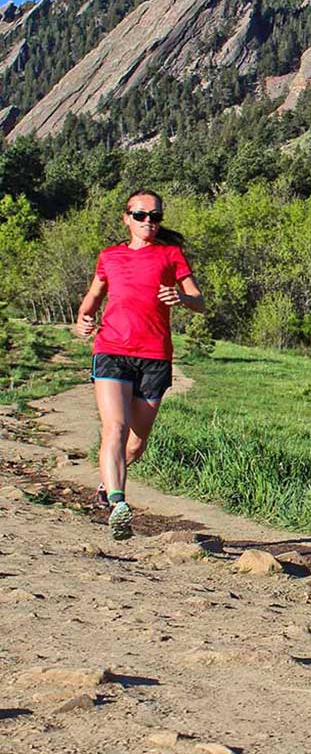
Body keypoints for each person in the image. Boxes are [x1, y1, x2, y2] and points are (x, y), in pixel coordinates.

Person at [74, 190, 204, 540]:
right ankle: (118, 503)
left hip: (154, 356)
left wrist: (182, 297)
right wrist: (83, 320)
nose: (149, 222)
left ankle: (106, 484)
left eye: (155, 216)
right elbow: (92, 298)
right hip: (112, 349)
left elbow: (199, 301)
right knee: (114, 428)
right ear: (126, 218)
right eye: (141, 215)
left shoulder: (170, 254)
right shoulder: (109, 257)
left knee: (135, 445)